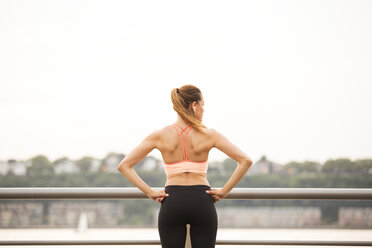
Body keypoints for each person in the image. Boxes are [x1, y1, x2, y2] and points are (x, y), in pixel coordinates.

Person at [117, 84, 253, 248]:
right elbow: (246, 160)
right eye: (203, 105)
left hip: (172, 202)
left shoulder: (160, 135)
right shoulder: (209, 134)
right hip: (202, 201)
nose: (204, 110)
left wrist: (150, 192)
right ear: (194, 105)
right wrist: (224, 191)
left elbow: (124, 166)